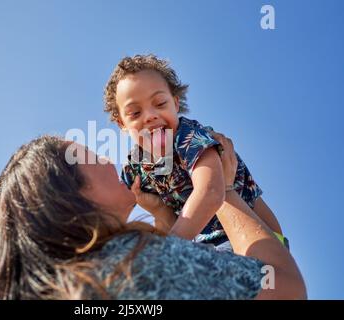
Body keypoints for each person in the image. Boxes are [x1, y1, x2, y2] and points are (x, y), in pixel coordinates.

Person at [0, 133, 306, 299]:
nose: (108, 160)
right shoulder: (130, 263)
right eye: (92, 157)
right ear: (72, 195)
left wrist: (162, 213)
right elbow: (285, 289)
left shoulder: (83, 285)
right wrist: (223, 189)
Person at [104, 54, 287, 251]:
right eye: (136, 113)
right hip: (208, 243)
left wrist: (169, 249)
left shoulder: (190, 136)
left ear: (175, 104)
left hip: (258, 235)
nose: (150, 116)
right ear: (122, 123)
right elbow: (114, 208)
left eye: (159, 104)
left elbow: (211, 192)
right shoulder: (136, 167)